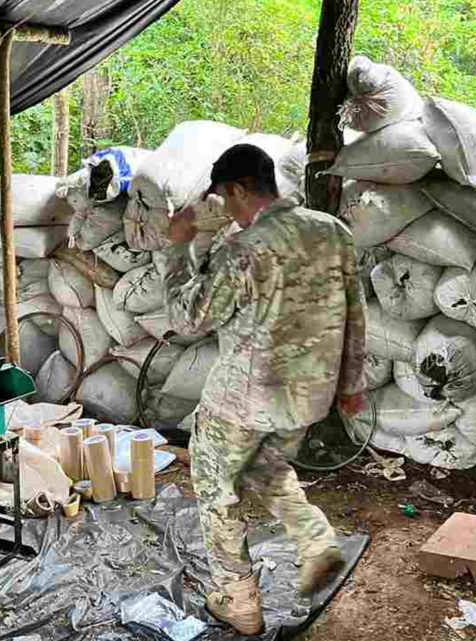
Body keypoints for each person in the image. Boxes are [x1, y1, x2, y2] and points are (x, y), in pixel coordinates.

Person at [161, 143, 368, 635]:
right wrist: (351, 384)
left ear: (237, 190)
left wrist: (176, 247)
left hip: (243, 399)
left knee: (215, 490)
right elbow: (356, 312)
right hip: (307, 397)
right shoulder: (332, 233)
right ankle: (316, 541)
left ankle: (238, 601)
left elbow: (189, 319)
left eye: (224, 199)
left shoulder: (244, 249)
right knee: (265, 466)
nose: (225, 210)